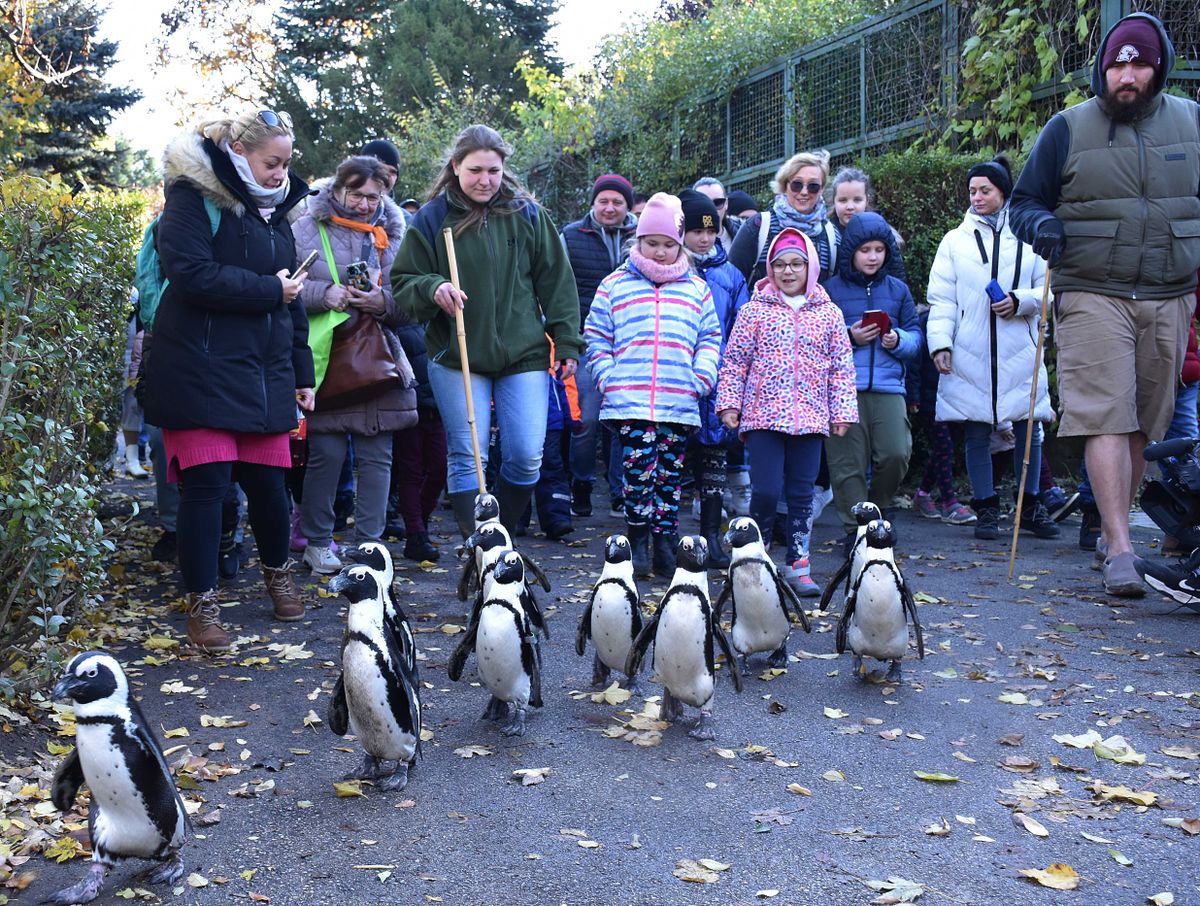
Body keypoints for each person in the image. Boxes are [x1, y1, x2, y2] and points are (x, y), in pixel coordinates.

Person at [1010, 11, 1200, 597]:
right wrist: (1042, 223)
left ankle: (1112, 534)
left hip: (1170, 294)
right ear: (1102, 68)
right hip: (1091, 290)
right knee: (1105, 414)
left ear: (1159, 66)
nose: (1128, 75)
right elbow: (1023, 203)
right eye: (1118, 64)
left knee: (1146, 421)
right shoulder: (1066, 127)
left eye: (1139, 63)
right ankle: (1120, 545)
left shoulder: (1193, 122)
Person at [143, 109, 314, 652]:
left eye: (287, 163)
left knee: (268, 488)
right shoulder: (193, 198)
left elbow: (294, 295)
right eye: (271, 162)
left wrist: (302, 371)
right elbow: (188, 273)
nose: (280, 173)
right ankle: (203, 605)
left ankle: (277, 575)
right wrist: (270, 292)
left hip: (262, 373)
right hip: (196, 367)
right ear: (239, 153)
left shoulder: (277, 212)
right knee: (208, 488)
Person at [393, 124, 583, 537]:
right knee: (467, 456)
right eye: (476, 170)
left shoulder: (527, 213)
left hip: (525, 354)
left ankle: (502, 536)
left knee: (526, 454)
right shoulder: (431, 218)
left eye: (493, 171)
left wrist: (566, 340)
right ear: (456, 166)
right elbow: (404, 282)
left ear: (503, 169)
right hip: (456, 354)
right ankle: (476, 548)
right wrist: (433, 287)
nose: (485, 180)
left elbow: (557, 282)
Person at [585, 192, 721, 577]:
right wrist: (608, 377)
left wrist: (702, 375)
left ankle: (665, 541)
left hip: (678, 399)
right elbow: (596, 335)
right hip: (630, 399)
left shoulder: (696, 289)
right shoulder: (615, 285)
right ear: (638, 241)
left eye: (668, 245)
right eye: (652, 243)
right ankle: (638, 539)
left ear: (680, 245)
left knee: (669, 475)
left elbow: (710, 338)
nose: (660, 252)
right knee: (638, 471)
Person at [292, 155, 416, 574]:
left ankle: (370, 545)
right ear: (338, 188)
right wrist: (323, 293)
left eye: (374, 196)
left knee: (377, 455)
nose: (365, 205)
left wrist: (382, 302)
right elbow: (286, 285)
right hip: (327, 356)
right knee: (325, 454)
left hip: (380, 357)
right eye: (356, 195)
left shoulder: (396, 232)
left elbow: (411, 296)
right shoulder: (306, 227)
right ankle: (318, 542)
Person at [716, 227, 857, 596]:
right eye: (780, 264)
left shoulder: (829, 314)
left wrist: (841, 410)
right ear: (770, 267)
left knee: (800, 494)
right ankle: (756, 558)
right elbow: (735, 362)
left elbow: (841, 366)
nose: (788, 271)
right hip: (763, 416)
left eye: (797, 263)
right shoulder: (753, 311)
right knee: (764, 491)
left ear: (810, 267)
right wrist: (730, 403)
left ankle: (798, 562)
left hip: (811, 418)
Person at [927, 154, 1057, 541]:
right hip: (970, 349)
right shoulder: (954, 241)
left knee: (1028, 428)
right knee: (977, 431)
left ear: (1003, 191)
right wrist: (940, 344)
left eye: (985, 190)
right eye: (972, 190)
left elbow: (1051, 290)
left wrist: (1021, 302)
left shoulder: (1030, 236)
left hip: (1021, 347)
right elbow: (942, 299)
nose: (977, 197)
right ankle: (986, 508)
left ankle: (1029, 506)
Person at [822, 212, 921, 547]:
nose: (873, 256)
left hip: (890, 387)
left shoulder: (899, 290)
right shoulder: (830, 290)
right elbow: (819, 339)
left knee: (897, 453)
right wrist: (850, 338)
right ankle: (855, 530)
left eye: (880, 249)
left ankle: (876, 512)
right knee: (846, 463)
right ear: (852, 251)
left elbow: (916, 336)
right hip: (843, 389)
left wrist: (898, 341)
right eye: (866, 249)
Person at [561, 173, 639, 518]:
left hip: (631, 343)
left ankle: (621, 490)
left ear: (627, 205)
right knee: (587, 419)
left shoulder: (643, 236)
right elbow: (560, 288)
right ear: (592, 203)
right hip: (585, 341)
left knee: (624, 421)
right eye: (603, 201)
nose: (610, 208)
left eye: (617, 202)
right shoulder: (571, 236)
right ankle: (581, 483)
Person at [679, 188, 749, 567]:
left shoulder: (731, 275)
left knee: (714, 467)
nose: (705, 238)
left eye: (712, 230)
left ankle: (711, 537)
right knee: (672, 467)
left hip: (718, 383)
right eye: (696, 231)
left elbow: (740, 329)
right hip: (678, 381)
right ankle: (666, 539)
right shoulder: (673, 271)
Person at [729, 150, 837, 285]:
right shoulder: (759, 227)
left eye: (813, 186)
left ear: (821, 189)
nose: (804, 192)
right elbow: (732, 282)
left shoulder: (831, 235)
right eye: (797, 184)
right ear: (785, 185)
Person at [828, 166, 907, 282]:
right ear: (833, 201)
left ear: (867, 200)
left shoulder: (884, 234)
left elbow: (897, 277)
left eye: (857, 200)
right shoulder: (827, 236)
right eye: (843, 200)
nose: (850, 207)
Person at [692, 177, 738, 250]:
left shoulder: (744, 234)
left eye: (718, 203)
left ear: (726, 204)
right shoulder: (680, 240)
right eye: (704, 203)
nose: (711, 209)